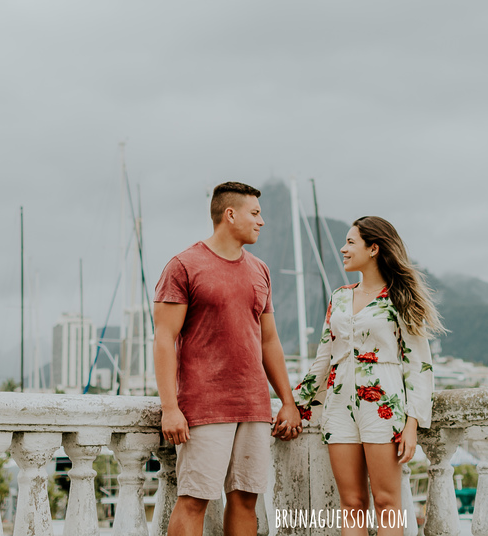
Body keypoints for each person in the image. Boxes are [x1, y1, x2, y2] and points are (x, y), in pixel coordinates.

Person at [154, 181, 302, 536]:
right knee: (194, 499)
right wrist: (170, 407)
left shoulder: (260, 270)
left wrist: (287, 402)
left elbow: (269, 341)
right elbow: (163, 339)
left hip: (253, 405)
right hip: (205, 405)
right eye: (255, 213)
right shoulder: (184, 265)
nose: (262, 221)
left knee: (246, 498)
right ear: (229, 214)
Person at [294, 216, 442, 536]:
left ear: (373, 248)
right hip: (338, 409)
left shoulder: (399, 298)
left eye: (351, 242)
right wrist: (293, 403)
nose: (343, 249)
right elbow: (324, 358)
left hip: (383, 407)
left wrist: (412, 423)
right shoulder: (339, 297)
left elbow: (419, 364)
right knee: (352, 504)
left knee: (387, 502)